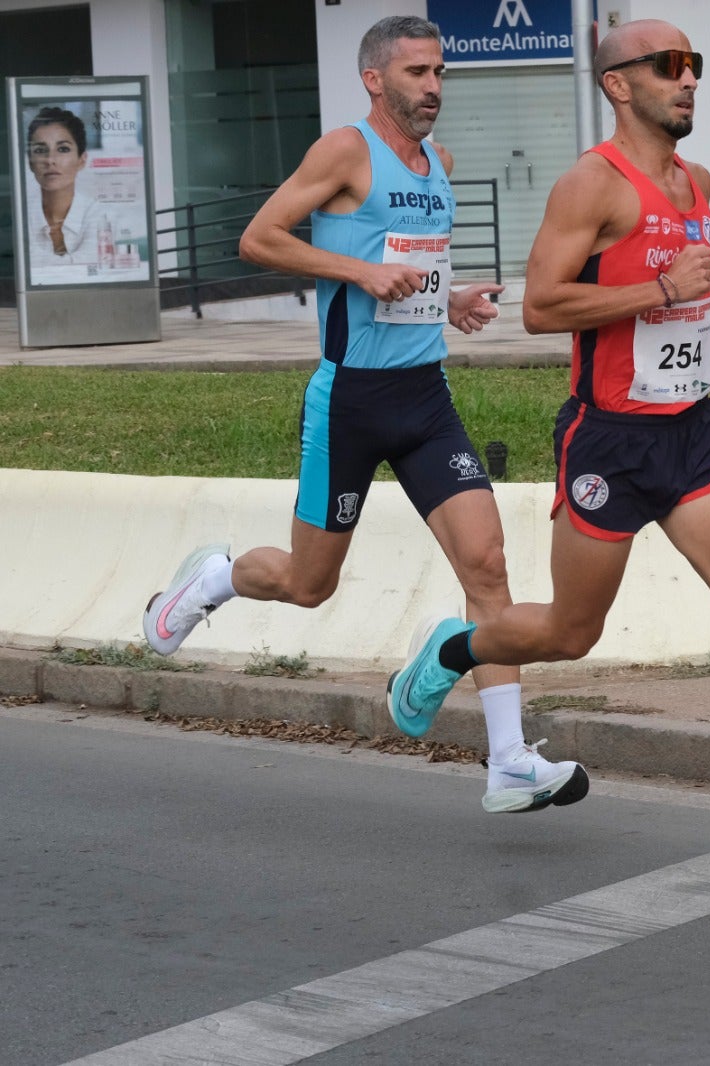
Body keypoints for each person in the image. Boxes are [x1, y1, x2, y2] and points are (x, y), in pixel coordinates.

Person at [386, 18, 710, 877]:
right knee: (570, 633)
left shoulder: (697, 181)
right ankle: (455, 650)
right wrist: (661, 290)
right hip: (610, 442)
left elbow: (676, 296)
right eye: (669, 67)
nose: (688, 82)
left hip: (695, 434)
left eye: (694, 66)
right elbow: (543, 306)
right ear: (618, 84)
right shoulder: (590, 186)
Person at [141, 16, 589, 818]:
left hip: (425, 398)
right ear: (375, 80)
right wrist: (357, 269)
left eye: (441, 72)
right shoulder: (344, 151)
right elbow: (259, 238)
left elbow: (406, 272)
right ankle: (215, 579)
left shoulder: (439, 165)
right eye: (418, 72)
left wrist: (446, 299)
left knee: (486, 567)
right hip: (347, 402)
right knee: (309, 585)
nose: (434, 88)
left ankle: (510, 759)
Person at [24, 106, 115, 270]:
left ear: (81, 160)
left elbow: (95, 263)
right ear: (31, 162)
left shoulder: (99, 213)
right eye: (40, 150)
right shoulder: (22, 215)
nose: (50, 160)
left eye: (63, 149)